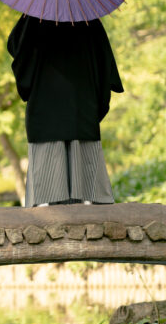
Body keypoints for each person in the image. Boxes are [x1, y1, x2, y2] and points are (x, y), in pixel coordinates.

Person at [7, 14, 124, 207]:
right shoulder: (87, 17)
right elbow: (104, 62)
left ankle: (47, 202)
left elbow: (16, 48)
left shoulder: (35, 15)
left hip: (45, 103)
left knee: (45, 204)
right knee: (89, 201)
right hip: (81, 103)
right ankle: (88, 200)